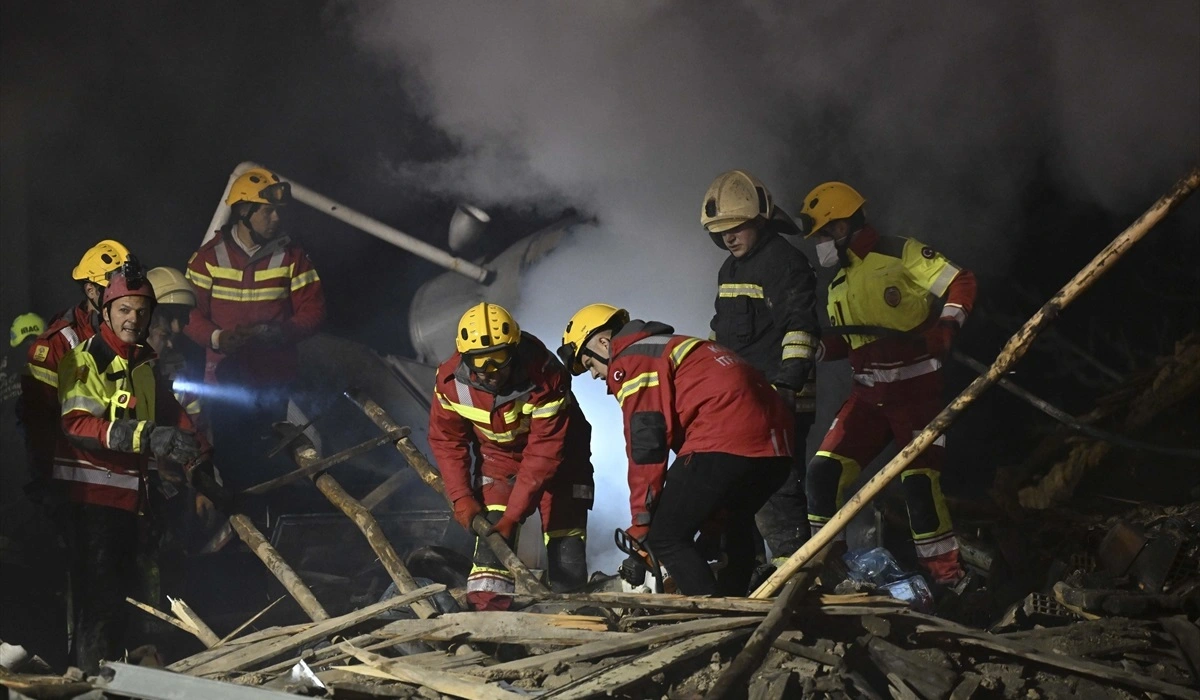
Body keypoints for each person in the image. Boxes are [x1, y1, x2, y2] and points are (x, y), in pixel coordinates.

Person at [797, 181, 977, 586]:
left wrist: (948, 325)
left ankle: (950, 580)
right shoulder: (839, 283)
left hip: (917, 395)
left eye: (824, 234)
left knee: (918, 486)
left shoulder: (899, 252)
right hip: (866, 398)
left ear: (844, 226)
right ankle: (827, 570)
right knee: (822, 475)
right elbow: (853, 338)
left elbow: (960, 280)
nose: (820, 244)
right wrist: (820, 349)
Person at [559, 304, 793, 596]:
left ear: (604, 344)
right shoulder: (674, 345)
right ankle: (734, 609)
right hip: (777, 449)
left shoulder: (631, 359)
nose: (594, 375)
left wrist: (641, 524)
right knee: (733, 525)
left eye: (590, 364)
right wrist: (709, 524)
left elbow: (647, 446)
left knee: (666, 538)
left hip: (725, 438)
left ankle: (711, 625)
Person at [54, 260, 210, 671]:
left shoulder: (145, 363)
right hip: (91, 501)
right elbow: (76, 424)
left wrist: (199, 457)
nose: (134, 319)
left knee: (131, 604)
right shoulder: (83, 361)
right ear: (105, 313)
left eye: (141, 311)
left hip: (131, 501)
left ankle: (124, 684)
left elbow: (172, 413)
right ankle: (87, 686)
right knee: (100, 607)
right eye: (124, 310)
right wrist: (146, 436)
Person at [428, 302, 594, 610]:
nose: (490, 372)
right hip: (499, 460)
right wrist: (461, 496)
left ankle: (571, 613)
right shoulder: (449, 383)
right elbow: (447, 440)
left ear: (515, 350)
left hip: (563, 458)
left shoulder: (546, 376)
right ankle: (489, 619)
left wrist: (514, 515)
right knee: (492, 541)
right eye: (480, 361)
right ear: (464, 358)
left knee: (565, 543)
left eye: (499, 358)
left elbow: (543, 454)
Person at [701, 169, 820, 568]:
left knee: (777, 488)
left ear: (760, 221)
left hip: (781, 398)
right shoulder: (730, 270)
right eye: (720, 233)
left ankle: (795, 572)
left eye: (736, 228)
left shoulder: (785, 262)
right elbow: (723, 335)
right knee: (735, 488)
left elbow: (800, 328)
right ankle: (747, 573)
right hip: (744, 401)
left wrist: (786, 387)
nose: (728, 238)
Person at [183, 168, 325, 487]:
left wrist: (283, 333)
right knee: (232, 464)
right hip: (224, 383)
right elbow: (187, 315)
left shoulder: (293, 257)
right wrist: (218, 338)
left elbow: (314, 309)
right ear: (244, 212)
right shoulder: (208, 259)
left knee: (269, 464)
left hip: (273, 382)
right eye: (269, 210)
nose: (277, 218)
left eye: (279, 211)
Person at [21, 240, 130, 501]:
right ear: (91, 291)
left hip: (124, 477)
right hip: (78, 484)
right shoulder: (60, 343)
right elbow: (38, 421)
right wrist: (47, 483)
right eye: (114, 289)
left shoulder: (130, 333)